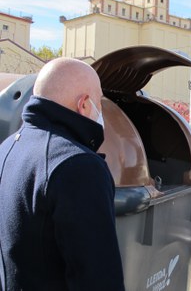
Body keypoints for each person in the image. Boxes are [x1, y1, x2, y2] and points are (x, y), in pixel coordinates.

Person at [0, 58, 125, 290]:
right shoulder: (78, 165)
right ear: (85, 104)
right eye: (99, 101)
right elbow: (98, 278)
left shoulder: (6, 149)